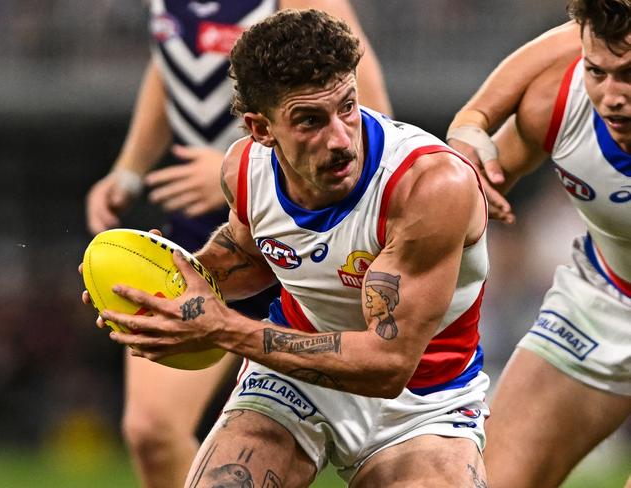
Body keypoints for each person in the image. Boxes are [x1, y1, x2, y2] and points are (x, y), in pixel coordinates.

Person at [83, 8, 493, 487]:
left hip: (423, 402)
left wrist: (225, 328)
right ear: (260, 129)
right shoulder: (245, 171)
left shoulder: (430, 187)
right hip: (295, 382)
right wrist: (165, 286)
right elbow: (251, 259)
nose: (340, 139)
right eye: (309, 120)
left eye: (347, 106)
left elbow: (387, 365)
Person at [446, 1, 631, 486]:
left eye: (630, 75)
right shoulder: (559, 99)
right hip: (605, 299)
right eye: (598, 71)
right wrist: (467, 163)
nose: (611, 96)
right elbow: (464, 198)